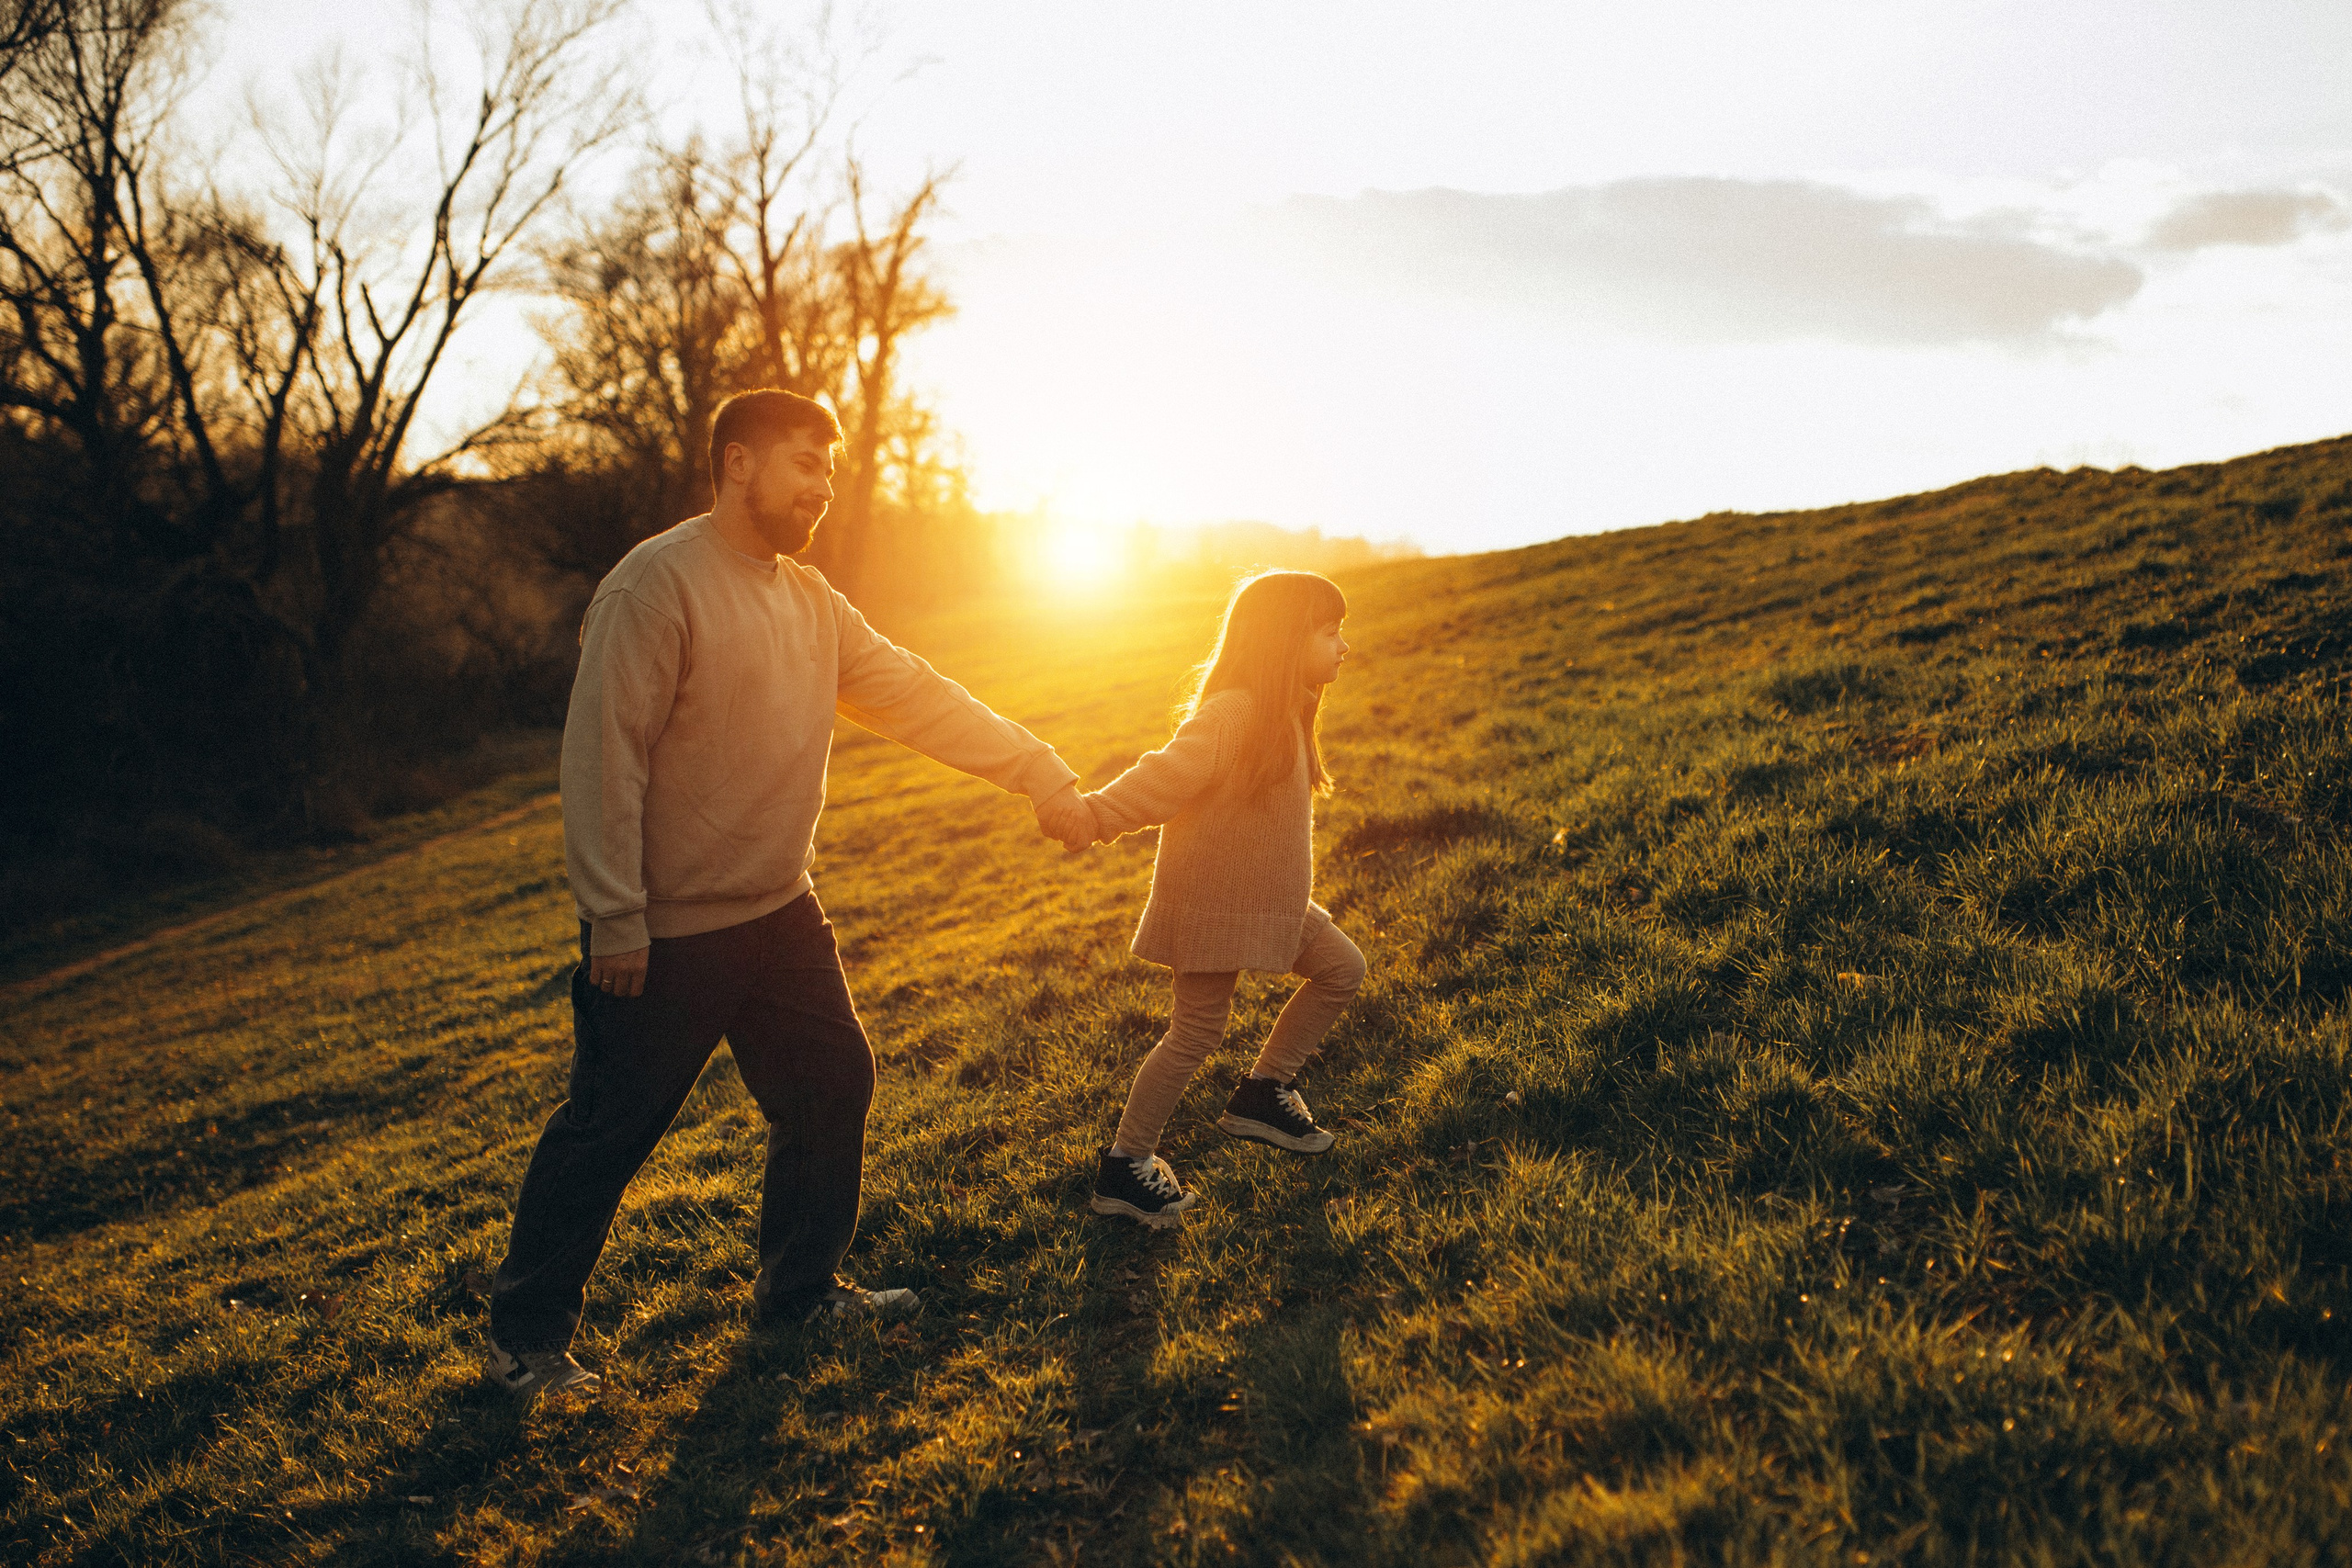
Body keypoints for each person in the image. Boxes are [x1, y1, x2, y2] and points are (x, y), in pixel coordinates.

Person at [486, 389, 1097, 1397]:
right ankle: (524, 1338)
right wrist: (616, 913)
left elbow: (915, 694)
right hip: (665, 933)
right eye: (805, 464)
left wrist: (1035, 768)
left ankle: (798, 1296)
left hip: (778, 912)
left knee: (830, 1085)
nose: (823, 486)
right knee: (608, 1131)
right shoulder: (657, 587)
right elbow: (605, 757)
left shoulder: (809, 599)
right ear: (736, 463)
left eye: (829, 466)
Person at [1076, 570, 1367, 1228]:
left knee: (1343, 969)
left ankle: (1263, 1091)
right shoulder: (1234, 711)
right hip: (1212, 905)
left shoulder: (1290, 710)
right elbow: (1162, 778)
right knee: (1195, 1034)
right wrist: (1095, 815)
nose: (1344, 645)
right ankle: (1126, 1165)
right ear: (1285, 640)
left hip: (1270, 904)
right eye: (1330, 631)